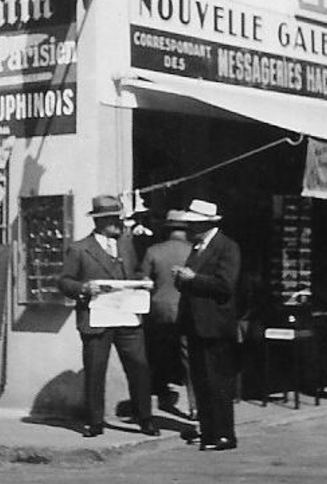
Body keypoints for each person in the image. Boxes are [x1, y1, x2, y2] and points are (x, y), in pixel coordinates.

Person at [58, 193, 160, 438]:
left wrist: (142, 281)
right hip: (97, 318)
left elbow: (133, 274)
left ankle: (144, 417)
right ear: (100, 222)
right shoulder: (80, 249)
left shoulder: (126, 245)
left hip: (126, 317)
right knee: (95, 370)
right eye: (113, 219)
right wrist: (83, 288)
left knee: (139, 367)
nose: (118, 223)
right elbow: (64, 281)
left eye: (118, 217)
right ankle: (95, 421)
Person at [173, 198, 241, 451]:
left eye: (194, 223)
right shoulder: (198, 247)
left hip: (215, 324)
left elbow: (226, 285)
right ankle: (209, 432)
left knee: (218, 381)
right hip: (195, 323)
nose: (190, 228)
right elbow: (191, 283)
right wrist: (182, 278)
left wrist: (194, 278)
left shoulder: (226, 247)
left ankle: (225, 434)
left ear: (206, 223)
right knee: (201, 380)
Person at [141, 210, 197, 419]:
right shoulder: (195, 252)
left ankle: (147, 402)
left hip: (158, 310)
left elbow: (144, 282)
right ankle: (195, 406)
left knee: (154, 354)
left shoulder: (153, 251)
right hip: (185, 309)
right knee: (189, 358)